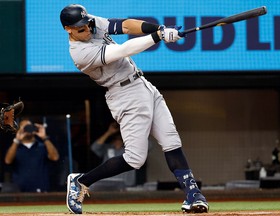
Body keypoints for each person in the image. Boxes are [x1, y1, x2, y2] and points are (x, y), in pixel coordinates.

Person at [60, 4, 208, 214]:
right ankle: (81, 181)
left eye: (87, 24)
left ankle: (193, 195)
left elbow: (126, 26)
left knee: (171, 140)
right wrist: (158, 37)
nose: (87, 29)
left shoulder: (91, 23)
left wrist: (160, 28)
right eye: (80, 28)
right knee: (134, 159)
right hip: (124, 94)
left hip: (143, 84)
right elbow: (123, 49)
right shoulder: (79, 53)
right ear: (68, 29)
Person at [4, 119, 59, 192]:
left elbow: (55, 157)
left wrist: (44, 137)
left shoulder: (42, 146)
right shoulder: (15, 148)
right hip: (19, 190)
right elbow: (8, 161)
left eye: (29, 127)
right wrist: (17, 140)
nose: (27, 129)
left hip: (40, 189)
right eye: (24, 128)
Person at [90, 121, 136, 188]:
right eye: (115, 138)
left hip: (127, 185)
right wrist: (109, 132)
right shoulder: (107, 148)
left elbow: (148, 146)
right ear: (112, 140)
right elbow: (94, 147)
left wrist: (130, 130)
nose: (118, 141)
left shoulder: (131, 149)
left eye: (120, 139)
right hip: (107, 185)